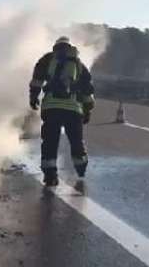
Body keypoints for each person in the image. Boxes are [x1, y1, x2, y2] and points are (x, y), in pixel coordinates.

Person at [29, 36, 95, 187]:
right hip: (74, 110)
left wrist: (33, 98)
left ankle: (50, 176)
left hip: (52, 108)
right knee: (76, 141)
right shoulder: (79, 65)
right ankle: (81, 169)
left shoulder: (47, 60)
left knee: (50, 142)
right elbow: (88, 92)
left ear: (55, 47)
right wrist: (87, 111)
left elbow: (36, 80)